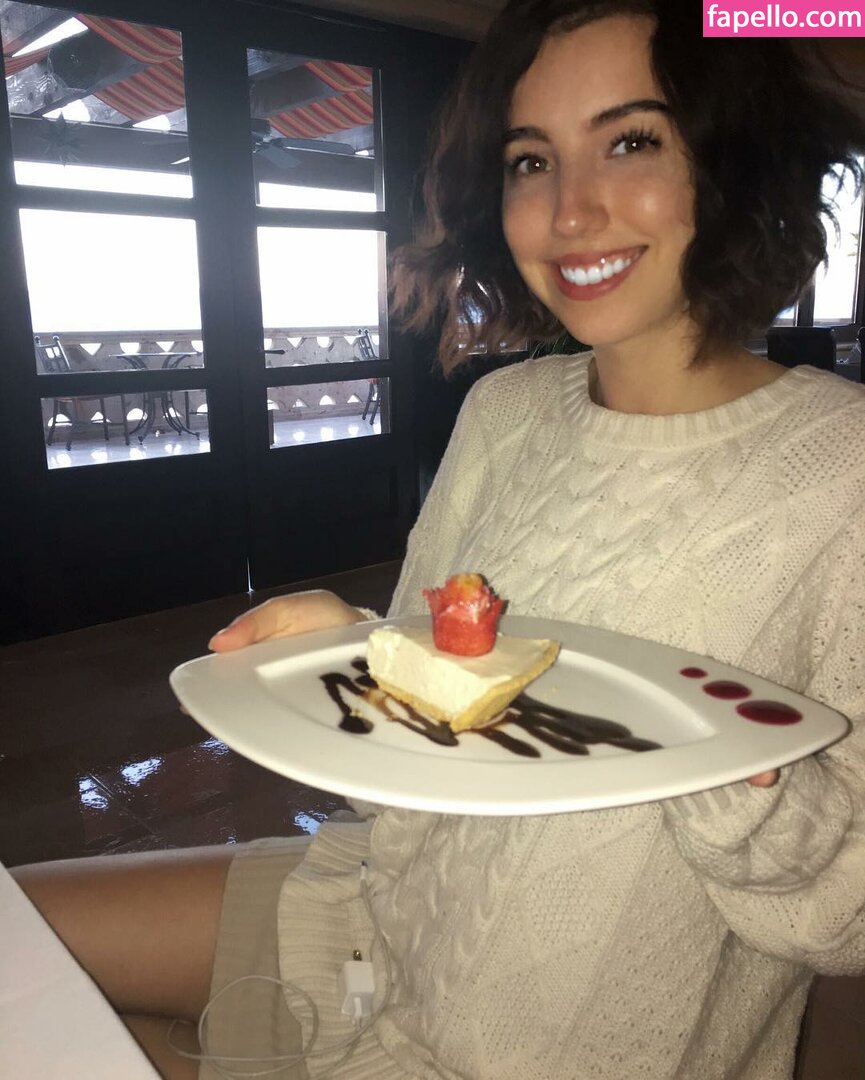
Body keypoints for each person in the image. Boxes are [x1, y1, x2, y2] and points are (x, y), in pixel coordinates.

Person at [12, 1, 865, 1077]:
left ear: (733, 160)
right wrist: (360, 649)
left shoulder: (841, 470)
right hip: (375, 913)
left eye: (631, 141)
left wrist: (721, 764)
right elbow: (414, 754)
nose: (569, 211)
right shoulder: (505, 411)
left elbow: (843, 921)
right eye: (528, 161)